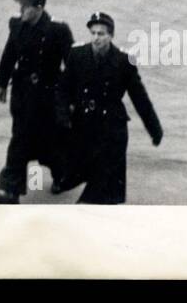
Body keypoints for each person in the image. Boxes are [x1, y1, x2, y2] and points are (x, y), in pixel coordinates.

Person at [55, 12, 162, 204]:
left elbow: (140, 98)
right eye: (93, 33)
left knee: (103, 182)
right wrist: (62, 114)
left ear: (111, 35)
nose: (96, 38)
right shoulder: (77, 55)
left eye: (101, 34)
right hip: (84, 125)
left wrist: (154, 128)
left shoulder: (124, 61)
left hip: (112, 127)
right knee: (84, 169)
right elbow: (63, 88)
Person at [0, 0, 74, 204]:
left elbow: (72, 65)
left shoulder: (58, 30)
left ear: (38, 8)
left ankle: (61, 175)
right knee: (19, 139)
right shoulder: (17, 25)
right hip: (23, 93)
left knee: (52, 143)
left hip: (49, 95)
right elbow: (9, 54)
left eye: (25, 5)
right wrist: (2, 83)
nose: (21, 9)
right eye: (20, 5)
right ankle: (9, 189)